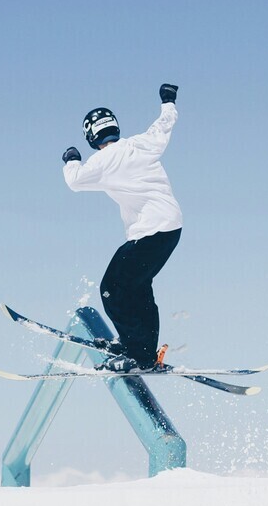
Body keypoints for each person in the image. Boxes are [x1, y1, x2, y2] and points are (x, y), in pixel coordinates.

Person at [61, 84, 183, 372]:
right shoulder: (142, 144)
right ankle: (142, 347)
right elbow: (164, 125)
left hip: (151, 232)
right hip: (172, 228)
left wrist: (70, 158)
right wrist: (168, 101)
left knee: (112, 289)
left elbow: (75, 181)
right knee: (139, 287)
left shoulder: (102, 161)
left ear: (92, 136)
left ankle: (136, 353)